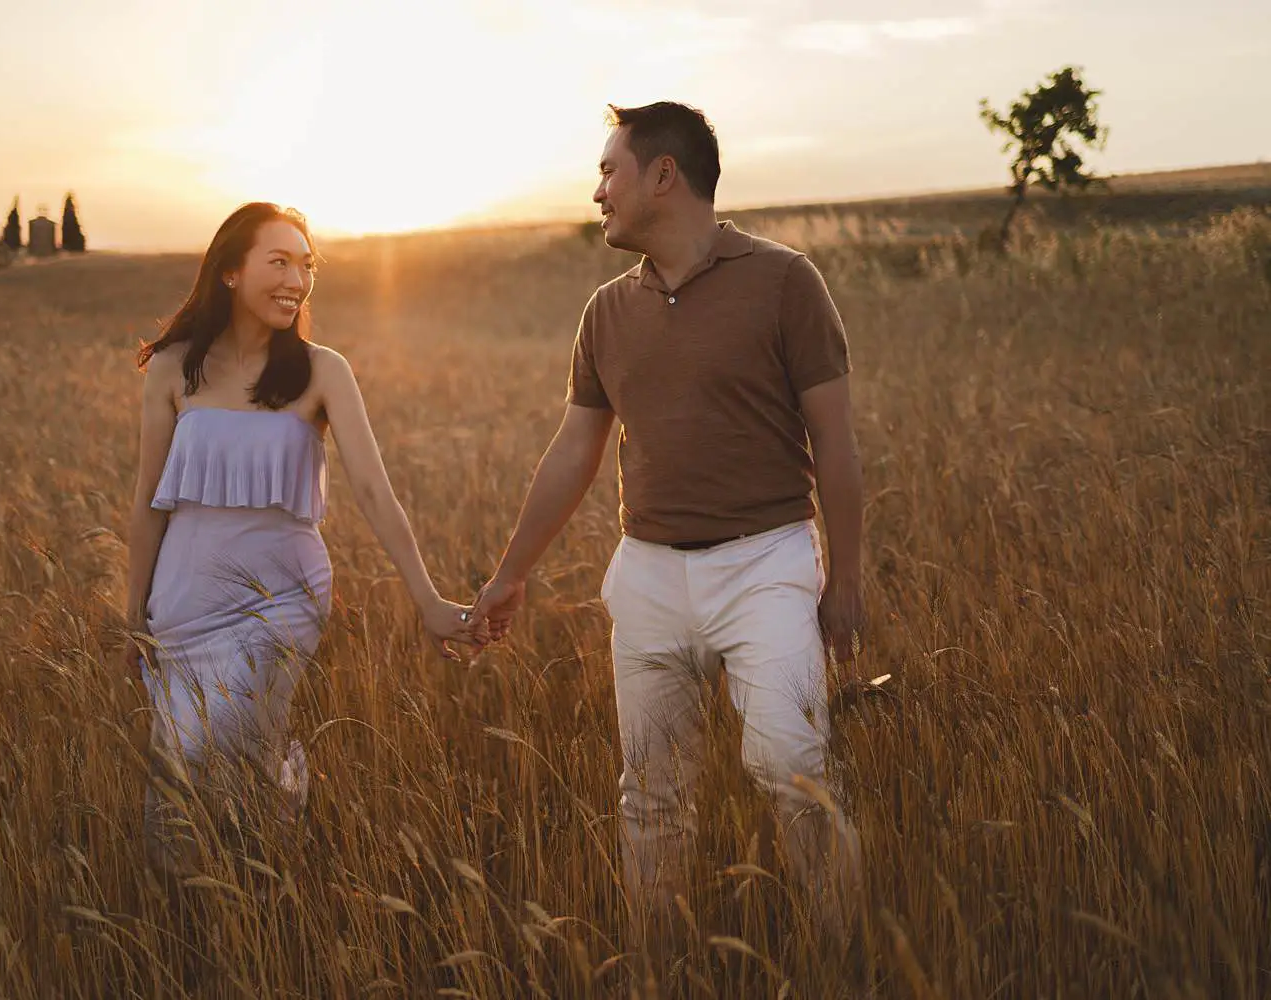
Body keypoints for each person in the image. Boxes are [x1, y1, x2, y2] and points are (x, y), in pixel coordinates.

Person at [472, 103, 866, 960]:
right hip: (646, 573)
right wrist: (510, 573)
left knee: (793, 767)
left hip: (766, 563)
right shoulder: (607, 311)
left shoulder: (785, 281)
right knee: (650, 794)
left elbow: (834, 440)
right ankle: (658, 963)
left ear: (664, 175)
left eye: (610, 170)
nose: (597, 191)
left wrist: (846, 581)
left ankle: (843, 960)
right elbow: (575, 450)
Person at [123, 202, 475, 873]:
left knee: (237, 741)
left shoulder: (322, 371)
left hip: (281, 596)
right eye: (278, 262)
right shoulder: (173, 370)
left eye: (306, 266)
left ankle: (266, 877)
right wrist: (132, 612)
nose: (297, 279)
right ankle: (198, 897)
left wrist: (428, 600)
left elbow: (374, 491)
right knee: (182, 759)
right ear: (230, 271)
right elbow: (146, 500)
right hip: (184, 600)